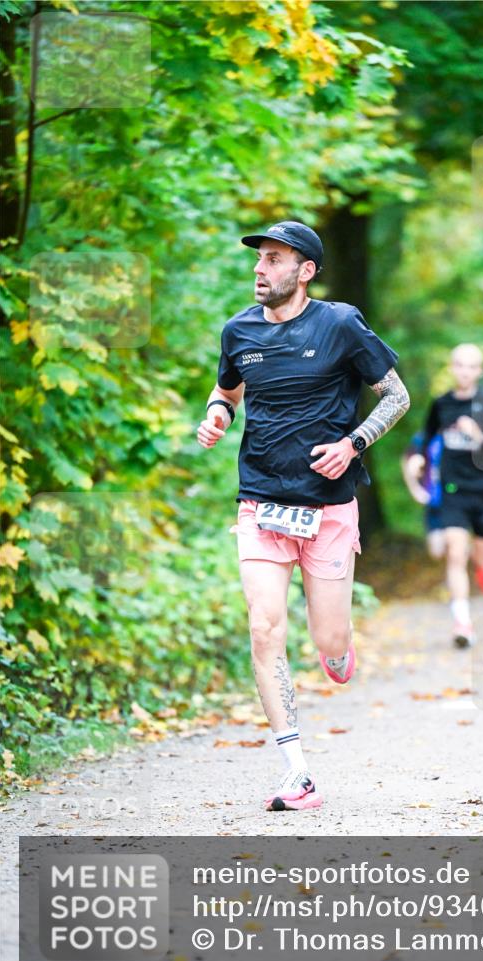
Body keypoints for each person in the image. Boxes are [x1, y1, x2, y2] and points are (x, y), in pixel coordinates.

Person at [197, 221, 409, 811]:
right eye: (258, 259)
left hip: (328, 509)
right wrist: (217, 415)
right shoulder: (239, 329)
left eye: (272, 259)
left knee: (330, 640)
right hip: (261, 503)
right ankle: (297, 770)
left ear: (305, 270)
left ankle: (338, 648)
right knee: (264, 629)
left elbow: (397, 396)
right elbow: (228, 391)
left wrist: (354, 444)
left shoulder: (340, 324)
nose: (259, 269)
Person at [402, 343, 483, 647]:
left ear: (480, 371)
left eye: (471, 366)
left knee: (482, 558)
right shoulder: (442, 404)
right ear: (452, 368)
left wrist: (479, 435)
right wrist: (418, 459)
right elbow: (425, 440)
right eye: (459, 365)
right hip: (453, 491)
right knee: (456, 552)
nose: (465, 371)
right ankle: (462, 621)